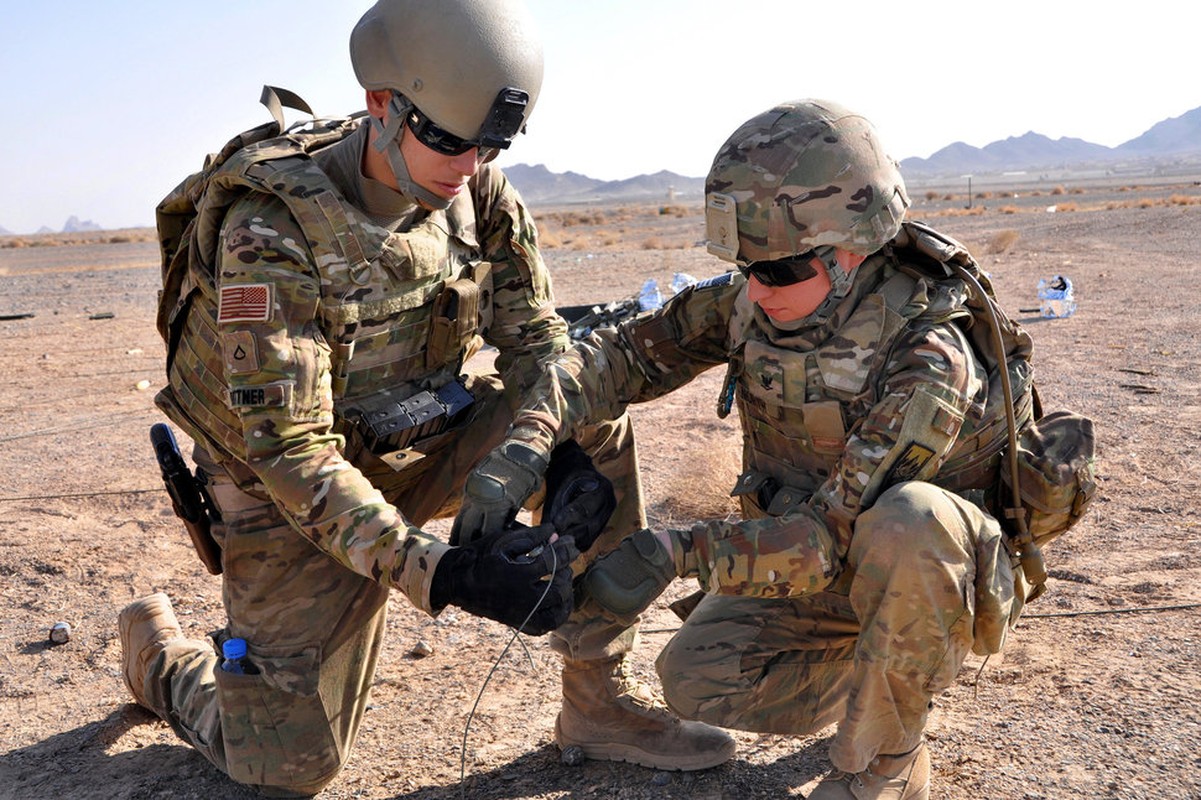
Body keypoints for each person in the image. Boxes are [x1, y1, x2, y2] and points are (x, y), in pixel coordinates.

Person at [118, 0, 733, 795]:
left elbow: (541, 349)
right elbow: (293, 453)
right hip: (286, 490)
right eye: (446, 139)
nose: (468, 165)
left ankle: (598, 702)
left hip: (422, 437)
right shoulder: (269, 229)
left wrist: (570, 457)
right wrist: (447, 575)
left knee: (592, 413)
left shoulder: (482, 196)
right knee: (286, 766)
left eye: (490, 143)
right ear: (380, 103)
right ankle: (163, 664)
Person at [456, 99, 1038, 799]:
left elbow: (828, 537)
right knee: (695, 680)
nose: (758, 290)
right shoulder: (753, 296)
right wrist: (522, 449)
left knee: (910, 518)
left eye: (780, 272)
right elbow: (610, 356)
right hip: (824, 568)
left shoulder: (927, 354)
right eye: (745, 267)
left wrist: (672, 554)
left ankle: (888, 760)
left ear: (853, 248)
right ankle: (873, 668)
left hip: (918, 566)